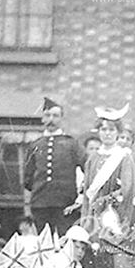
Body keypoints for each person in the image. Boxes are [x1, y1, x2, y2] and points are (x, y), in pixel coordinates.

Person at [72, 105, 135, 268]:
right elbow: (88, 194)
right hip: (96, 224)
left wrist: (106, 201)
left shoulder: (124, 158)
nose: (107, 133)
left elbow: (129, 190)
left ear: (118, 133)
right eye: (103, 129)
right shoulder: (93, 158)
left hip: (117, 223)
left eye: (112, 129)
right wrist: (87, 223)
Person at [23, 97, 85, 233]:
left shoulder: (71, 144)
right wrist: (28, 206)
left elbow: (89, 168)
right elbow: (28, 180)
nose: (51, 119)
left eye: (55, 116)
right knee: (44, 243)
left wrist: (81, 195)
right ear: (43, 119)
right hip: (40, 204)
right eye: (47, 115)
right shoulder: (35, 145)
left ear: (62, 119)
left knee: (65, 241)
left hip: (65, 204)